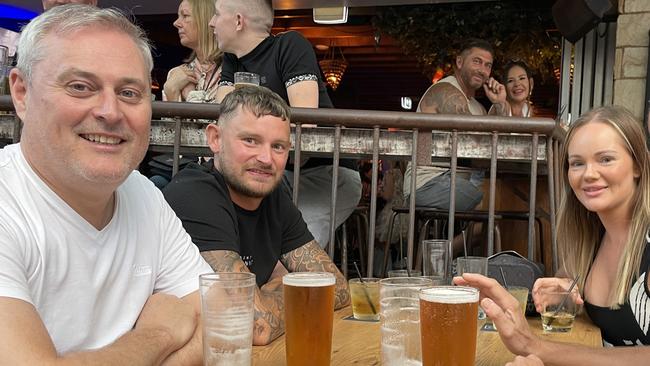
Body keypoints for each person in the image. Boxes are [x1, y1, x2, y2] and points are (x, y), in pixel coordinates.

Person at [1, 5, 212, 365]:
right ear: (22, 93)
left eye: (130, 93)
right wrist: (157, 335)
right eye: (80, 87)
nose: (110, 112)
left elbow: (219, 323)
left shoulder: (142, 194)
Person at [455, 105, 650, 365]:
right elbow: (566, 281)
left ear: (638, 165)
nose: (589, 174)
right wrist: (564, 290)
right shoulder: (593, 238)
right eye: (577, 163)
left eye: (605, 159)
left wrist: (535, 347)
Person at [163, 85, 350, 346]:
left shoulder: (270, 196)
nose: (266, 158)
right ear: (215, 139)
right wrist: (285, 282)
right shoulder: (193, 194)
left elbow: (338, 289)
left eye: (278, 146)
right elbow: (254, 326)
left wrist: (265, 293)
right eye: (250, 140)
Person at [209, 0, 362, 250]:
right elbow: (225, 120)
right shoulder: (232, 59)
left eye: (216, 14)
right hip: (280, 174)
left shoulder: (289, 45)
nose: (211, 22)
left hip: (325, 174)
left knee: (293, 256)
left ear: (238, 21)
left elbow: (305, 123)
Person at [404, 38, 509, 255]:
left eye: (488, 65)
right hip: (426, 184)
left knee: (500, 203)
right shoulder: (445, 90)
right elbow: (477, 141)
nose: (482, 70)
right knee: (496, 202)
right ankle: (437, 256)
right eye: (477, 61)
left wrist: (499, 103)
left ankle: (445, 257)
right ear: (460, 62)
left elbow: (494, 141)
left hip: (458, 182)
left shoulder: (478, 107)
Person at [163, 0, 222, 103]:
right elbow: (168, 119)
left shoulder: (233, 71)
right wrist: (171, 91)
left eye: (185, 16)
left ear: (206, 20)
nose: (176, 23)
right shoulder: (175, 74)